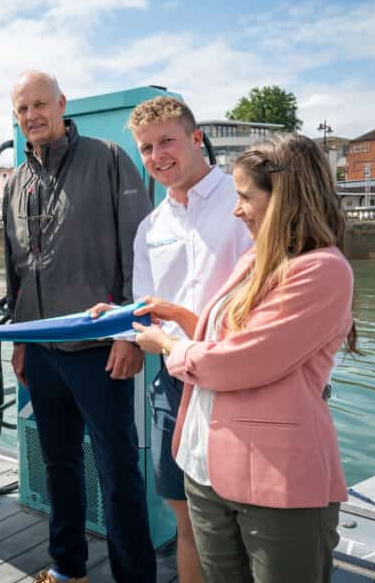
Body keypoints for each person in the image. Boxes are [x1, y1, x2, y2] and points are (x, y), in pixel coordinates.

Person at [131, 132, 356, 583]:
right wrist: (175, 314)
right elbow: (230, 339)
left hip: (275, 484)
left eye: (245, 197)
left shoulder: (322, 271)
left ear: (285, 199)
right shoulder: (255, 259)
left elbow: (235, 362)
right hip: (206, 466)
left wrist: (169, 346)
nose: (237, 210)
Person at [89, 96, 251, 583]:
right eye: (146, 147)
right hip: (174, 387)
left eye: (167, 142)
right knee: (187, 520)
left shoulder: (244, 205)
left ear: (196, 138)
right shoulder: (150, 227)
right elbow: (143, 308)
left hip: (240, 381)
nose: (158, 156)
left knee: (245, 522)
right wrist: (111, 323)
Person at [2, 71, 155, 583]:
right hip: (42, 351)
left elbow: (140, 250)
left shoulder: (109, 159)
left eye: (40, 105)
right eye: (22, 109)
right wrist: (20, 342)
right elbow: (19, 271)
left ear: (62, 105)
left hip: (99, 348)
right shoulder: (16, 182)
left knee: (118, 473)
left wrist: (129, 332)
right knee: (59, 465)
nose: (31, 116)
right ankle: (68, 568)